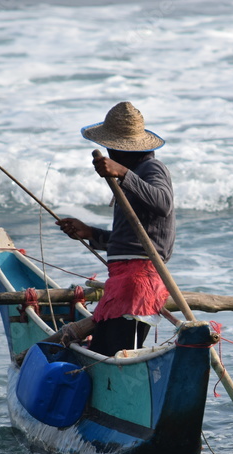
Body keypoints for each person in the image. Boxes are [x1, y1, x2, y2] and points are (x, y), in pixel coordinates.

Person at [56, 101, 175, 357]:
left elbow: (163, 203)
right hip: (122, 280)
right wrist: (90, 233)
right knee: (102, 349)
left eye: (111, 145)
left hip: (138, 282)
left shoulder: (150, 168)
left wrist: (122, 173)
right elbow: (129, 241)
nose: (107, 150)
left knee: (117, 352)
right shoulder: (133, 175)